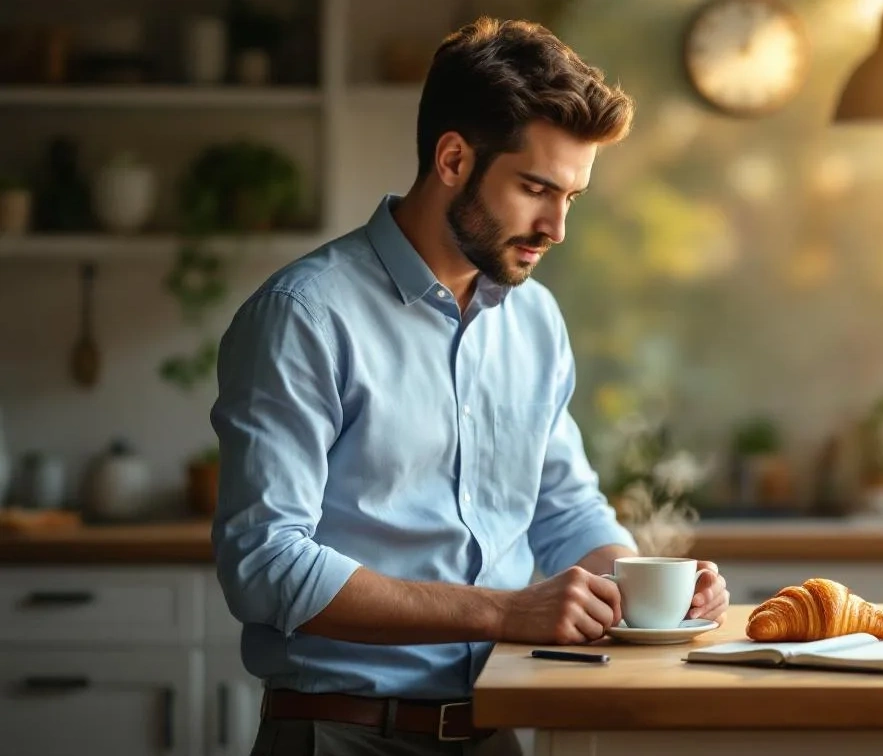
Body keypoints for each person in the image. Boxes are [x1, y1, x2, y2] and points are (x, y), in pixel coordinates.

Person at [210, 17, 730, 756]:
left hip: (493, 733)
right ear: (453, 158)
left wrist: (649, 585)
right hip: (342, 733)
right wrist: (503, 612)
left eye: (572, 197)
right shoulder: (305, 315)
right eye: (535, 188)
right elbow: (266, 565)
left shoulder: (535, 320)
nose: (556, 226)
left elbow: (564, 511)